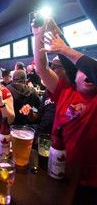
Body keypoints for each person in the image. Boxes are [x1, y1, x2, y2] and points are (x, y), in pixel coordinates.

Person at [32, 16, 97, 188]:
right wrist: (38, 35)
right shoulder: (65, 91)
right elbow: (41, 69)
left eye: (90, 70)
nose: (87, 74)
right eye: (81, 71)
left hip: (88, 184)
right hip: (55, 172)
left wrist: (65, 49)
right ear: (74, 77)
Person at [19, 56, 70, 137]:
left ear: (68, 69)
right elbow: (39, 117)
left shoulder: (75, 92)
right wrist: (31, 114)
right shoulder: (48, 92)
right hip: (41, 140)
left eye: (55, 67)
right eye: (50, 67)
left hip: (59, 144)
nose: (50, 71)